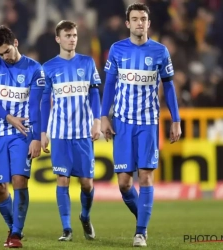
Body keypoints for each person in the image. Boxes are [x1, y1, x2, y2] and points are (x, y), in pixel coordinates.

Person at [100, 3, 182, 247]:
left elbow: (168, 87)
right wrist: (104, 116)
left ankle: (140, 231)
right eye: (134, 18)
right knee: (124, 184)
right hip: (122, 123)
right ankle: (143, 216)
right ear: (127, 23)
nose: (139, 22)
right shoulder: (116, 50)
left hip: (148, 123)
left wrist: (175, 120)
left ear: (148, 23)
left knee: (145, 177)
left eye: (143, 18)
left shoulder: (160, 51)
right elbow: (110, 86)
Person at [0, 25, 44, 248]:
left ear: (15, 43)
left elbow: (36, 106)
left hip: (22, 133)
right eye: (0, 54)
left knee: (19, 180)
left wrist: (36, 137)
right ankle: (13, 226)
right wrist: (8, 117)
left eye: (7, 51)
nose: (4, 57)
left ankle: (16, 234)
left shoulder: (35, 69)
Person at [41, 20, 101, 241]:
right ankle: (66, 228)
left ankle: (84, 217)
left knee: (87, 183)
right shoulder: (48, 67)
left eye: (74, 35)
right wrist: (43, 132)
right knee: (62, 179)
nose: (72, 39)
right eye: (67, 35)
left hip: (83, 132)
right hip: (60, 133)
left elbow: (95, 94)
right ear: (58, 38)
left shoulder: (87, 63)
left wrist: (97, 121)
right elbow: (45, 101)